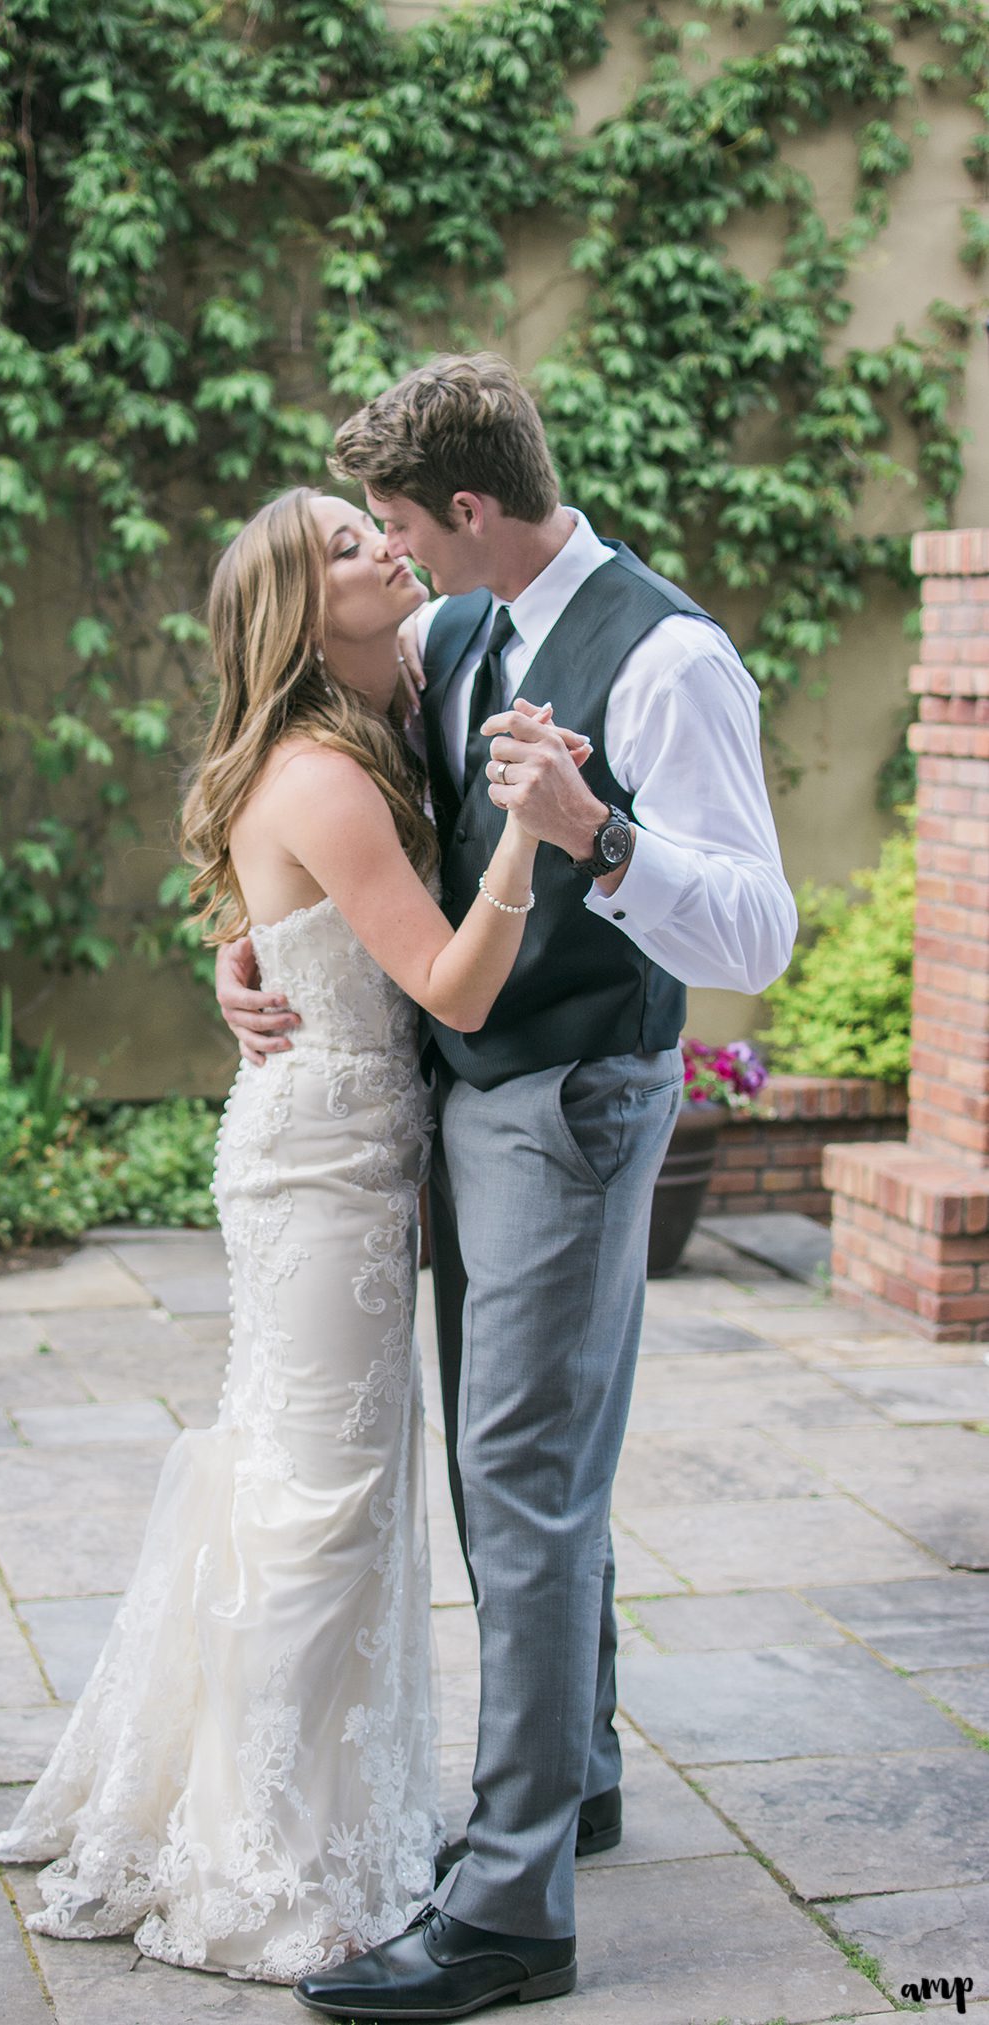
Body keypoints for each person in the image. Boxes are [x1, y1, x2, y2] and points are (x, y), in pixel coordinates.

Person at [216, 355, 797, 2018]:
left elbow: (758, 932)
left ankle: (508, 1911)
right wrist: (246, 950)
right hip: (461, 1095)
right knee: (510, 1465)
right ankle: (581, 1766)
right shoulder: (456, 634)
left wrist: (604, 840)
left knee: (524, 1476)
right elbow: (295, 780)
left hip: (571, 1095)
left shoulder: (672, 656)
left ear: (467, 510)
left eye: (396, 523)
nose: (388, 550)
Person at [0, 484, 587, 1984]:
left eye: (371, 527)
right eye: (338, 545)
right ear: (295, 614)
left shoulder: (413, 682)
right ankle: (253, 1860)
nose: (381, 546)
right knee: (317, 1507)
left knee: (308, 1487)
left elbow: (290, 917)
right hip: (321, 1169)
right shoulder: (321, 771)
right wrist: (525, 836)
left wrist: (245, 950)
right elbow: (447, 984)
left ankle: (280, 1804)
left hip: (344, 1155)